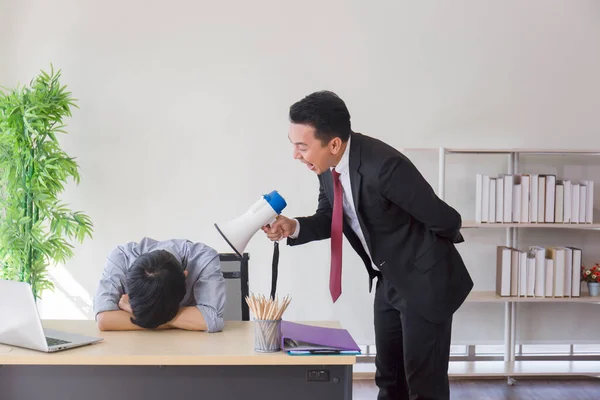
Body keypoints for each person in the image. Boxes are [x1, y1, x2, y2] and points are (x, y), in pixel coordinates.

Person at [263, 91, 473, 400]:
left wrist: (422, 262)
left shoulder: (385, 167)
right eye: (294, 145)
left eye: (302, 146)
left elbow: (445, 219)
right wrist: (293, 227)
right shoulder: (327, 168)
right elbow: (329, 217)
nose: (296, 155)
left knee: (424, 385)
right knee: (389, 379)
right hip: (388, 281)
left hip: (424, 283)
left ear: (333, 143)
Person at [93, 237, 226, 332]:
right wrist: (186, 322)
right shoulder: (122, 257)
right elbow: (105, 320)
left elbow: (210, 319)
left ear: (185, 276)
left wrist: (139, 313)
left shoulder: (204, 258)